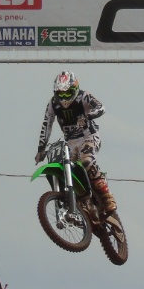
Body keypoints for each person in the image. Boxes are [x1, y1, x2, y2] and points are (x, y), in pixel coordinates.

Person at [36, 71, 117, 214]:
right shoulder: (53, 103)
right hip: (70, 142)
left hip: (89, 136)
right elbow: (46, 124)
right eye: (61, 94)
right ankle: (78, 199)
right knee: (66, 168)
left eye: (67, 94)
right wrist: (41, 148)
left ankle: (106, 196)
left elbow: (101, 108)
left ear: (75, 89)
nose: (64, 98)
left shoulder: (83, 96)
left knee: (86, 162)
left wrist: (87, 116)